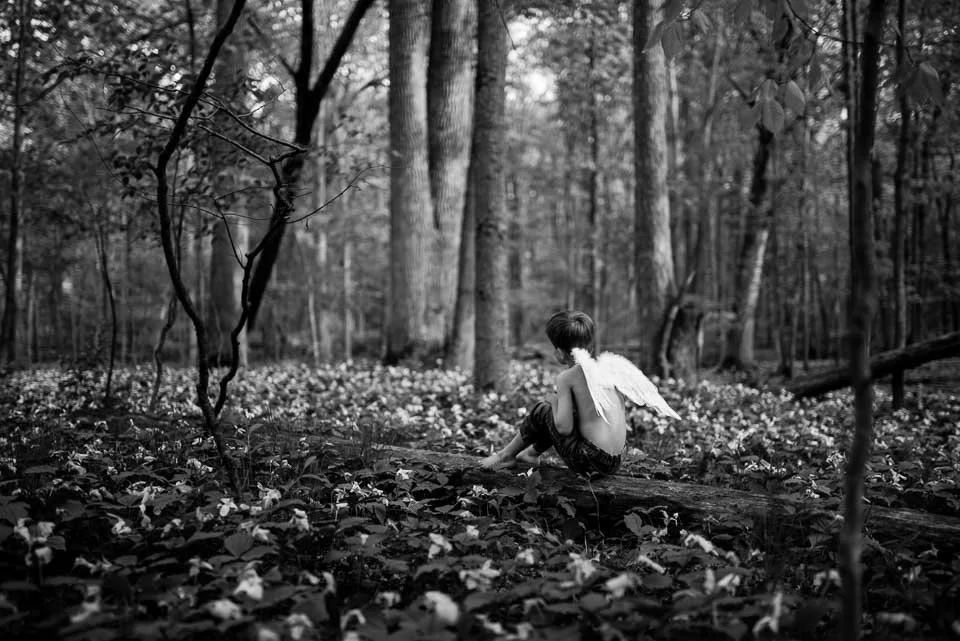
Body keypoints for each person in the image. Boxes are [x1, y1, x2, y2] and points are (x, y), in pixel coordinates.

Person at [478, 310, 626, 478]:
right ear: (590, 346)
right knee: (567, 411)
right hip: (614, 462)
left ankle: (505, 456)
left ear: (560, 353)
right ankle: (530, 454)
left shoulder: (567, 377)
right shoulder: (608, 371)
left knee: (543, 410)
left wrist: (554, 402)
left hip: (589, 460)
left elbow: (563, 428)